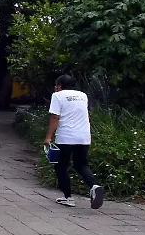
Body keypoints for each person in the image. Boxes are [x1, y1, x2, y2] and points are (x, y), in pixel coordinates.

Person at [44, 74, 105, 209]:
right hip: (83, 136)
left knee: (61, 166)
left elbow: (55, 117)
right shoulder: (83, 95)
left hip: (66, 137)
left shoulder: (57, 96)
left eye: (56, 85)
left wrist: (48, 137)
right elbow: (87, 115)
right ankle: (95, 186)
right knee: (81, 165)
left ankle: (68, 197)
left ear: (59, 85)